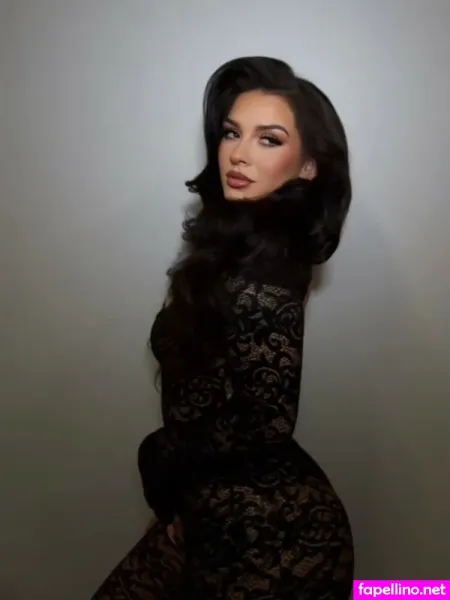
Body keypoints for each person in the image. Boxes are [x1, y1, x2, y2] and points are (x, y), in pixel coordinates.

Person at [91, 55, 354, 600]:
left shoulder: (266, 269)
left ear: (308, 167)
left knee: (415, 592)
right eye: (233, 133)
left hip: (269, 535)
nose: (238, 153)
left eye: (269, 139)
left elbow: (267, 422)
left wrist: (162, 456)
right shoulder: (243, 246)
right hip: (217, 514)